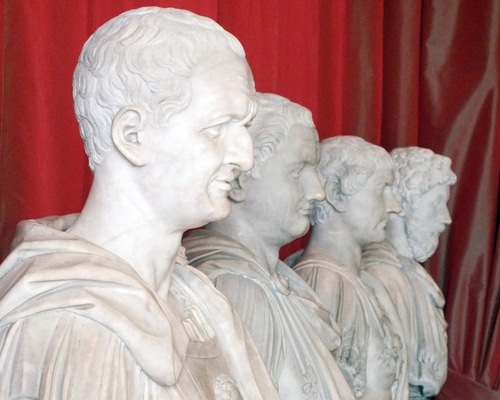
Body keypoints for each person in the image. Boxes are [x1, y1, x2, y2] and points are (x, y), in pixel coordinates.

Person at [0, 7, 279, 400]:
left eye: (245, 127)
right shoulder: (70, 327)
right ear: (132, 136)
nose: (246, 157)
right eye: (217, 128)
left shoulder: (201, 301)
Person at [184, 93, 355, 400]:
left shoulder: (274, 281)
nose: (317, 192)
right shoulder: (237, 287)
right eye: (297, 171)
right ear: (238, 181)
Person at [291, 136, 408, 400]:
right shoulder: (325, 284)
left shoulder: (363, 281)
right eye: (381, 189)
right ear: (335, 194)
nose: (394, 207)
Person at [362, 147, 457, 399]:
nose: (446, 218)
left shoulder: (412, 275)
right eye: (436, 203)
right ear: (403, 203)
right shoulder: (382, 277)